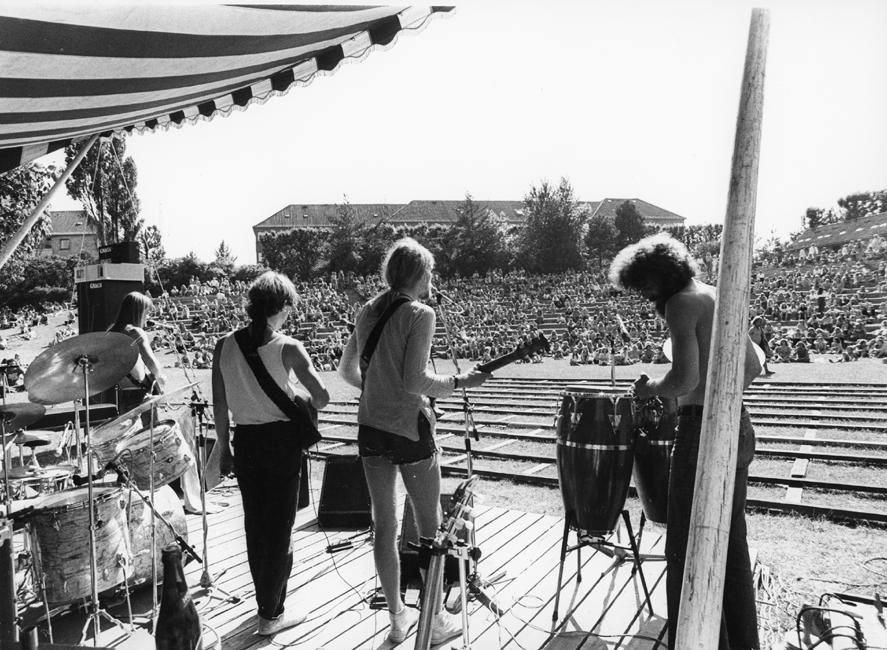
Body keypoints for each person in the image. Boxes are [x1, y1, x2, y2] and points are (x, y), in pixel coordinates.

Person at [609, 233, 761, 650]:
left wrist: (650, 388)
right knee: (730, 544)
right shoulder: (717, 293)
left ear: (658, 277)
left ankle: (693, 643)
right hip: (739, 424)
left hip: (700, 430)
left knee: (685, 543)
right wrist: (723, 396)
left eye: (644, 287)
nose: (644, 297)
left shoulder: (680, 303)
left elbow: (684, 379)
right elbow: (752, 365)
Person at [338, 238, 491, 645]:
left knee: (383, 526)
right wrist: (462, 381)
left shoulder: (366, 311)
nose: (432, 279)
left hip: (370, 428)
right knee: (431, 529)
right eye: (430, 272)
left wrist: (376, 391)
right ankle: (435, 618)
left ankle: (396, 618)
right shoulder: (421, 314)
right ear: (420, 273)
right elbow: (417, 381)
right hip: (409, 430)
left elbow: (346, 371)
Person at [211, 272, 329, 636]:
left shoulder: (223, 345)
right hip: (279, 442)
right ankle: (271, 613)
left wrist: (224, 446)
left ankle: (266, 601)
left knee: (255, 525)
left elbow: (220, 401)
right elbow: (321, 397)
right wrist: (292, 393)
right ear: (282, 306)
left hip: (245, 440)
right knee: (280, 528)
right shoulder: (289, 347)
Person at [108, 292, 208, 515]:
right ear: (138, 311)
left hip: (122, 397)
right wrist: (161, 379)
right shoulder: (136, 332)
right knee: (150, 447)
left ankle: (133, 493)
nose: (148, 316)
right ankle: (157, 497)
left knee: (129, 448)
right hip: (142, 397)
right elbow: (153, 366)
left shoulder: (111, 331)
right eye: (146, 312)